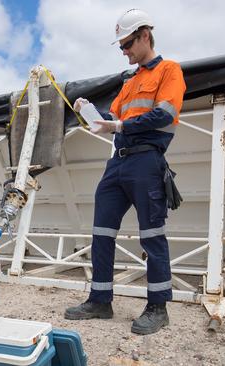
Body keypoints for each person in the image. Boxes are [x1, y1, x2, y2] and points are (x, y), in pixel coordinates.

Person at [64, 8, 186, 335]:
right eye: (120, 46)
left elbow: (164, 115)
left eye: (128, 43)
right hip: (117, 163)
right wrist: (91, 112)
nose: (124, 51)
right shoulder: (131, 82)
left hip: (147, 161)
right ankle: (100, 301)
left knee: (152, 236)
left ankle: (158, 308)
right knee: (101, 232)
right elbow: (113, 117)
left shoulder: (169, 70)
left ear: (145, 35)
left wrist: (117, 124)